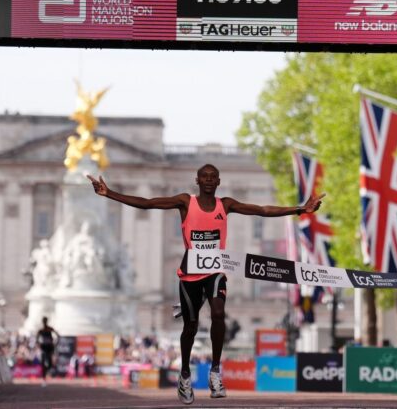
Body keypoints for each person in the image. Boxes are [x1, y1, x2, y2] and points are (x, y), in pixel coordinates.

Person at [87, 164, 325, 404]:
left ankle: (215, 370)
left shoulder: (226, 204)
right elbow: (148, 203)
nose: (209, 181)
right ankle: (185, 375)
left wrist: (300, 209)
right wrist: (110, 193)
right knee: (190, 327)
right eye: (205, 177)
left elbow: (261, 209)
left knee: (219, 314)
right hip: (190, 273)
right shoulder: (185, 202)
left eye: (213, 177)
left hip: (215, 273)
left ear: (219, 182)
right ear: (197, 181)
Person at [37, 317, 59, 387]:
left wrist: (55, 343)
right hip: (44, 347)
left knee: (49, 363)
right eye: (44, 321)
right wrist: (39, 344)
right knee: (43, 363)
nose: (45, 322)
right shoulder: (41, 330)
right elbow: (36, 338)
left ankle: (48, 370)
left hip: (49, 347)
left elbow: (58, 335)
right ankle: (44, 379)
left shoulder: (50, 328)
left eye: (45, 321)